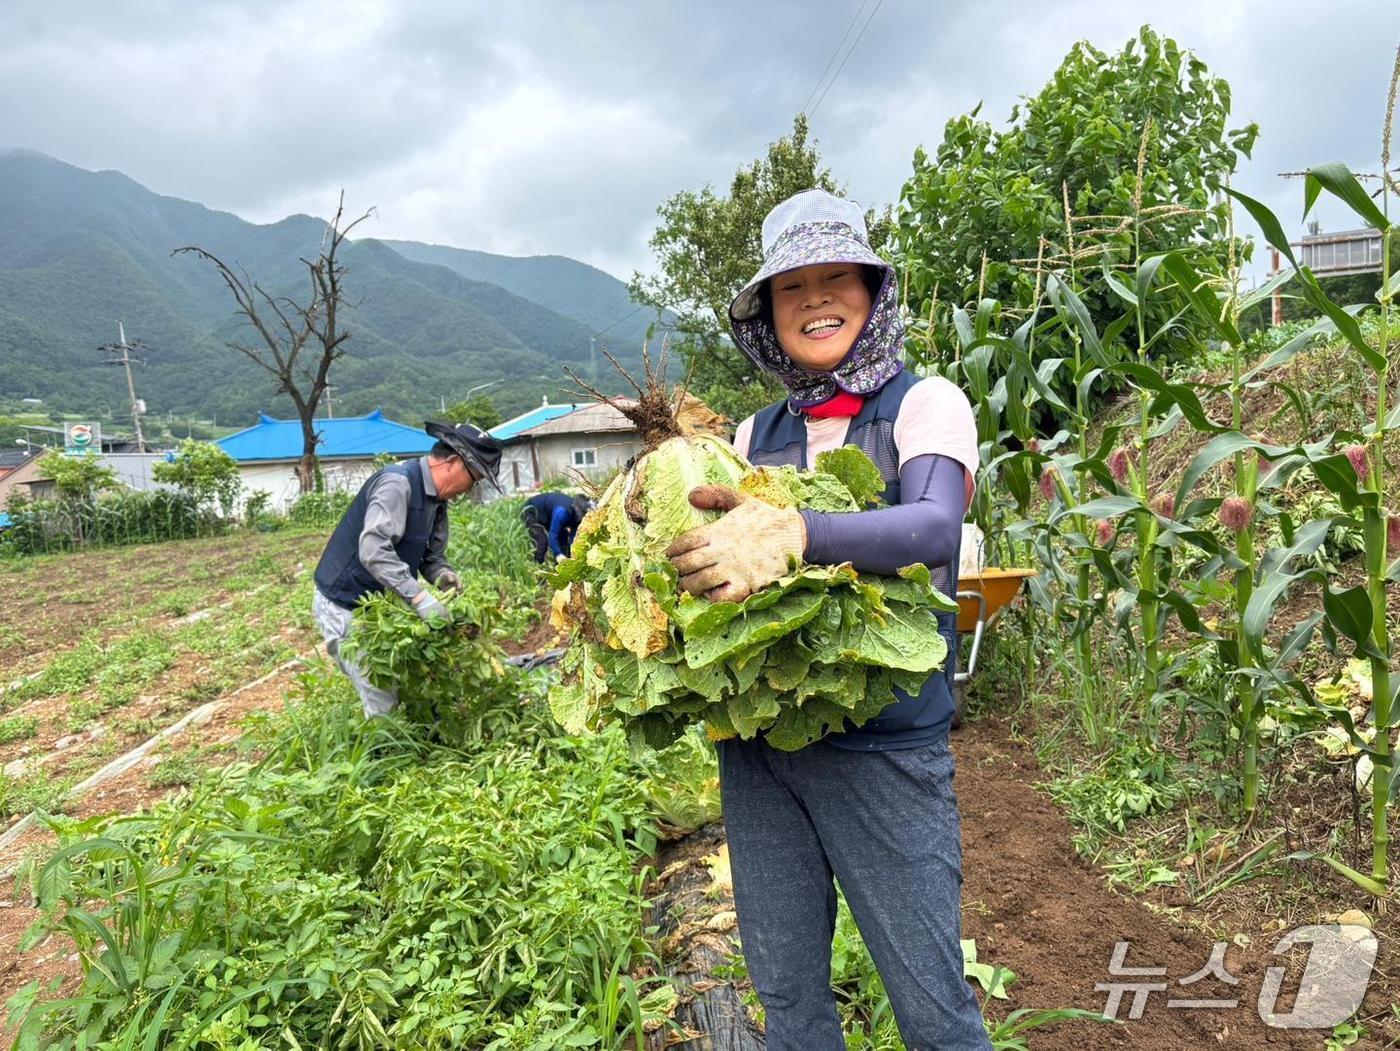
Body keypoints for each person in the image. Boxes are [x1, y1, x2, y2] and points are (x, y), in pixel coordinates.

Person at [665, 189, 990, 1049]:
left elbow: (929, 530)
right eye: (791, 285)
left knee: (933, 1010)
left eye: (837, 275)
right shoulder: (751, 431)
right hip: (762, 753)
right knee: (792, 1001)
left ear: (873, 291)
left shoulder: (925, 405)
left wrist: (796, 531)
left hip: (883, 750)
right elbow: (715, 569)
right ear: (767, 315)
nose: (816, 298)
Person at [312, 421, 503, 717]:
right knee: (381, 697)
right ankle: (386, 755)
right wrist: (418, 598)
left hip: (380, 605)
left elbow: (431, 555)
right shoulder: (397, 484)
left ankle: (414, 741)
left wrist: (442, 575)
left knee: (405, 682)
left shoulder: (437, 502)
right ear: (453, 462)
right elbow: (373, 550)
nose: (469, 489)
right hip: (345, 604)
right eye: (474, 478)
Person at [521, 490, 591, 563]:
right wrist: (558, 554)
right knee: (542, 541)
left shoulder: (580, 517)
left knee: (563, 538)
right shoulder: (562, 512)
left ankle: (561, 568)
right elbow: (553, 533)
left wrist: (574, 554)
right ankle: (536, 564)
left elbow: (573, 537)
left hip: (548, 514)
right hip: (531, 511)